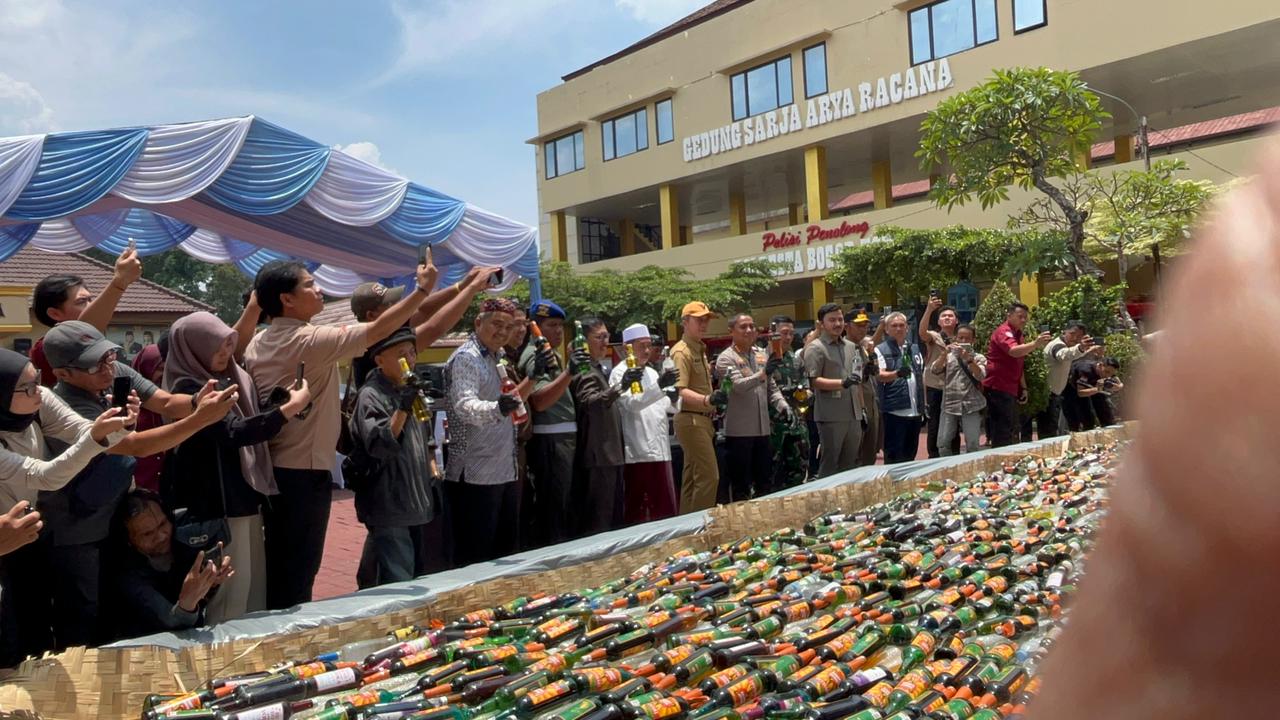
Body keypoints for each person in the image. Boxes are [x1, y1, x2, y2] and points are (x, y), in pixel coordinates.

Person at [244, 258, 435, 609]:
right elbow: (375, 332)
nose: (319, 290)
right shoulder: (308, 340)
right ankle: (292, 649)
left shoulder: (258, 343)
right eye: (309, 284)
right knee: (299, 574)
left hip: (276, 470)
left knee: (283, 567)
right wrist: (421, 291)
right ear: (286, 299)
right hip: (304, 474)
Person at [42, 321, 237, 649]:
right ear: (63, 374)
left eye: (109, 355)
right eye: (94, 364)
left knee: (129, 596)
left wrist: (193, 403)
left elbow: (163, 401)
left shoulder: (112, 369)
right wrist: (201, 418)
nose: (107, 368)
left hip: (117, 511)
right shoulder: (66, 408)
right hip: (77, 527)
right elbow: (135, 445)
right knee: (83, 612)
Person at [163, 312, 311, 623]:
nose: (225, 353)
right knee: (229, 596)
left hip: (244, 497)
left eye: (229, 344)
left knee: (253, 589)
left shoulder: (233, 377)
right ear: (193, 349)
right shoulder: (190, 387)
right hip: (218, 505)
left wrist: (276, 407)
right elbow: (234, 433)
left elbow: (243, 424)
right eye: (216, 346)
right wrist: (288, 410)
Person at [0, 348, 135, 664]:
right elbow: (45, 476)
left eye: (38, 381)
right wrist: (99, 437)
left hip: (28, 532)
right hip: (4, 542)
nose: (39, 392)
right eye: (28, 388)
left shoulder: (38, 400)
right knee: (9, 635)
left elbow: (83, 431)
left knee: (38, 629)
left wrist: (120, 425)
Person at [349, 327, 446, 586]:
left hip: (416, 498)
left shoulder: (409, 388)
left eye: (412, 353)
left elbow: (427, 438)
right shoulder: (372, 394)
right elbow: (380, 443)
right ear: (380, 360)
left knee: (410, 570)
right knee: (399, 578)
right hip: (390, 499)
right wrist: (402, 407)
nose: (409, 360)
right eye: (401, 354)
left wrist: (434, 472)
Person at [444, 298, 530, 565]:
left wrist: (533, 378)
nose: (502, 332)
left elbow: (513, 404)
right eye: (496, 325)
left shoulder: (498, 357)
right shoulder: (466, 358)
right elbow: (464, 405)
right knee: (476, 557)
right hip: (474, 475)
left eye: (508, 326)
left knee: (504, 554)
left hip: (504, 468)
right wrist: (497, 408)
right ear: (478, 322)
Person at [344, 266, 495, 391]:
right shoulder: (374, 344)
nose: (399, 307)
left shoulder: (389, 330)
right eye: (390, 305)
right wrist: (472, 288)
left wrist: (461, 286)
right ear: (371, 315)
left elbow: (423, 310)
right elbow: (435, 327)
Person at [108, 491, 234, 639]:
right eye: (147, 534)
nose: (161, 536)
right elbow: (173, 623)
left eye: (163, 524)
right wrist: (187, 603)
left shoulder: (181, 542)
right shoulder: (127, 575)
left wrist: (210, 582)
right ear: (129, 540)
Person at [29, 245, 143, 387]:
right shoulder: (45, 348)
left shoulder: (97, 342)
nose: (91, 305)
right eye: (81, 301)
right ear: (54, 313)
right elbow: (83, 331)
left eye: (90, 299)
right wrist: (119, 282)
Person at [519, 301, 576, 546]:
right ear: (535, 329)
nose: (558, 331)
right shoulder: (535, 354)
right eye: (551, 325)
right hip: (550, 439)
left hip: (561, 437)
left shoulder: (550, 353)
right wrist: (569, 373)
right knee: (553, 509)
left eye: (560, 325)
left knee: (562, 506)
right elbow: (539, 401)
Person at [610, 325, 679, 525]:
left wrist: (673, 398)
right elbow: (632, 404)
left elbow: (664, 406)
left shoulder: (651, 372)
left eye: (649, 346)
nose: (647, 351)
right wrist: (659, 387)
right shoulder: (620, 372)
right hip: (638, 451)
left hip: (660, 448)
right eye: (642, 346)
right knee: (640, 509)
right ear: (627, 348)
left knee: (665, 508)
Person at [716, 314, 790, 500]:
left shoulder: (761, 354)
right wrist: (763, 373)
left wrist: (782, 405)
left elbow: (771, 387)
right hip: (739, 433)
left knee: (764, 483)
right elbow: (737, 386)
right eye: (743, 327)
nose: (749, 330)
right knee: (741, 486)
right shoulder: (726, 358)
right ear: (731, 331)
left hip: (763, 430)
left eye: (752, 326)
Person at [569, 318, 625, 535]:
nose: (605, 342)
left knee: (613, 519)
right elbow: (589, 403)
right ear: (584, 341)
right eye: (599, 337)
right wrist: (619, 388)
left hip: (609, 454)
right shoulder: (585, 369)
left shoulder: (596, 368)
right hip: (598, 455)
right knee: (599, 521)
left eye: (606, 337)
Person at [670, 302, 725, 513]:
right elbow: (679, 391)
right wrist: (708, 400)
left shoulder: (699, 348)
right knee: (709, 476)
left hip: (700, 419)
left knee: (693, 478)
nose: (704, 324)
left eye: (706, 320)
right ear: (685, 322)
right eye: (698, 320)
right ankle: (701, 525)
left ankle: (686, 525)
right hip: (691, 419)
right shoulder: (681, 352)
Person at [804, 304, 864, 478]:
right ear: (821, 324)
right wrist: (842, 383)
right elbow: (814, 381)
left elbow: (857, 379)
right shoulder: (816, 348)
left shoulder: (851, 346)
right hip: (830, 416)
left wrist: (862, 409)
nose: (837, 323)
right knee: (829, 464)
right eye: (832, 320)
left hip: (854, 414)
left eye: (840, 319)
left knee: (850, 464)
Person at [981, 302, 1051, 448]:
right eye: (1020, 317)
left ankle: (1008, 459)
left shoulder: (1018, 334)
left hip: (1011, 388)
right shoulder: (1003, 331)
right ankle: (1000, 461)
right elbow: (1013, 351)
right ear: (1009, 315)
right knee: (1003, 429)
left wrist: (1023, 388)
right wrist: (1035, 344)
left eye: (1026, 317)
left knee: (1012, 427)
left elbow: (1018, 363)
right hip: (998, 387)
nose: (1024, 320)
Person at [875, 312, 927, 464]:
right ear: (886, 329)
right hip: (894, 411)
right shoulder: (881, 349)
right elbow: (879, 375)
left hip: (915, 411)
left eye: (902, 325)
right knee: (894, 456)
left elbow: (920, 377)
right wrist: (897, 374)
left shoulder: (915, 348)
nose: (898, 329)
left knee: (910, 455)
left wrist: (923, 406)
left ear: (907, 328)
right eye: (894, 326)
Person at [929, 324, 987, 455]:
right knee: (943, 443)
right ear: (955, 338)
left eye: (967, 338)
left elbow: (981, 375)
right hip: (949, 404)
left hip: (971, 404)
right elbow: (934, 369)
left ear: (973, 340)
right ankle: (947, 467)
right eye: (960, 338)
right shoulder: (949, 357)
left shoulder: (979, 357)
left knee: (972, 444)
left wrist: (969, 360)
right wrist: (944, 354)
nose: (963, 341)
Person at [765, 315, 809, 490]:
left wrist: (805, 394)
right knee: (770, 472)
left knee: (798, 471)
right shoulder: (762, 358)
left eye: (791, 333)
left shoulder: (796, 359)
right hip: (772, 425)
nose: (788, 337)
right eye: (784, 333)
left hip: (796, 423)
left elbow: (806, 386)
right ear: (772, 333)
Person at [918, 297, 961, 457]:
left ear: (956, 320)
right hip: (935, 385)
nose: (947, 318)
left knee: (954, 423)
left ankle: (955, 454)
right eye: (944, 316)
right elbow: (922, 332)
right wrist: (929, 309)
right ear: (939, 321)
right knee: (935, 423)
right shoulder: (934, 336)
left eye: (950, 316)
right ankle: (934, 456)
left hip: (955, 386)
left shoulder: (962, 337)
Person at [1045, 322, 1102, 434]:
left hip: (1055, 392)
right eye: (1072, 334)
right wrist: (1081, 347)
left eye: (1079, 336)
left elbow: (1073, 355)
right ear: (1064, 332)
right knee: (1049, 430)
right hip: (1048, 393)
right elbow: (1064, 355)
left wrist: (1088, 350)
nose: (1075, 338)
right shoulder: (1058, 345)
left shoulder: (1069, 347)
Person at [846, 312, 883, 467]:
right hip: (855, 404)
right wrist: (861, 408)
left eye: (865, 326)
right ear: (847, 326)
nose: (863, 329)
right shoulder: (845, 347)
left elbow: (874, 372)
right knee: (856, 452)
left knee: (871, 449)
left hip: (871, 400)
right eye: (859, 326)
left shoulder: (862, 348)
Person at [130, 345, 166, 493]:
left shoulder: (175, 400)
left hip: (168, 490)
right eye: (160, 369)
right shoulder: (129, 404)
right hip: (136, 491)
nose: (164, 375)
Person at [1063, 356, 1123, 431]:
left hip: (1094, 386)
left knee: (1106, 414)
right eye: (1107, 372)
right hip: (1073, 389)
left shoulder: (1108, 370)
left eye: (1111, 374)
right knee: (1087, 419)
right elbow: (1080, 393)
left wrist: (1119, 386)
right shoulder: (1085, 370)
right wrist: (1098, 389)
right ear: (1100, 365)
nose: (1108, 376)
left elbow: (1118, 381)